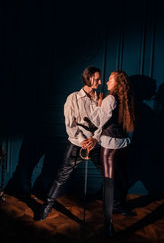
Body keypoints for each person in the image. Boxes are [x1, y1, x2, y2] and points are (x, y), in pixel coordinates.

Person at [36, 66, 102, 220]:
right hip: (76, 144)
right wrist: (82, 140)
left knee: (109, 173)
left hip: (95, 144)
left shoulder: (100, 98)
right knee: (61, 177)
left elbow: (103, 124)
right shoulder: (73, 98)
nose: (100, 82)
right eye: (97, 79)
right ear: (88, 78)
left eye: (99, 79)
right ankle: (47, 206)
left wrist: (95, 138)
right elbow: (70, 125)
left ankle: (114, 204)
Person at [83, 70, 136, 238]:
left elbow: (97, 121)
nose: (106, 83)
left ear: (118, 84)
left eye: (110, 80)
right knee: (114, 181)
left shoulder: (111, 99)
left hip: (113, 145)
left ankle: (110, 221)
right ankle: (111, 216)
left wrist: (98, 106)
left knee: (111, 182)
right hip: (119, 144)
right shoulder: (124, 99)